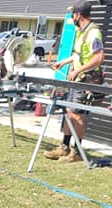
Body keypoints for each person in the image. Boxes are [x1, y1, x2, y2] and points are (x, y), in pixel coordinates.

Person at [44, 0, 104, 163]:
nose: (72, 17)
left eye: (73, 14)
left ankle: (77, 151)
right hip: (77, 79)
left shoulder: (93, 33)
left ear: (78, 15)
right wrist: (64, 62)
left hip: (86, 80)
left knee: (76, 114)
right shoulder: (81, 31)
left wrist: (78, 70)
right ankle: (64, 147)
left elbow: (99, 58)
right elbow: (79, 55)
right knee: (68, 112)